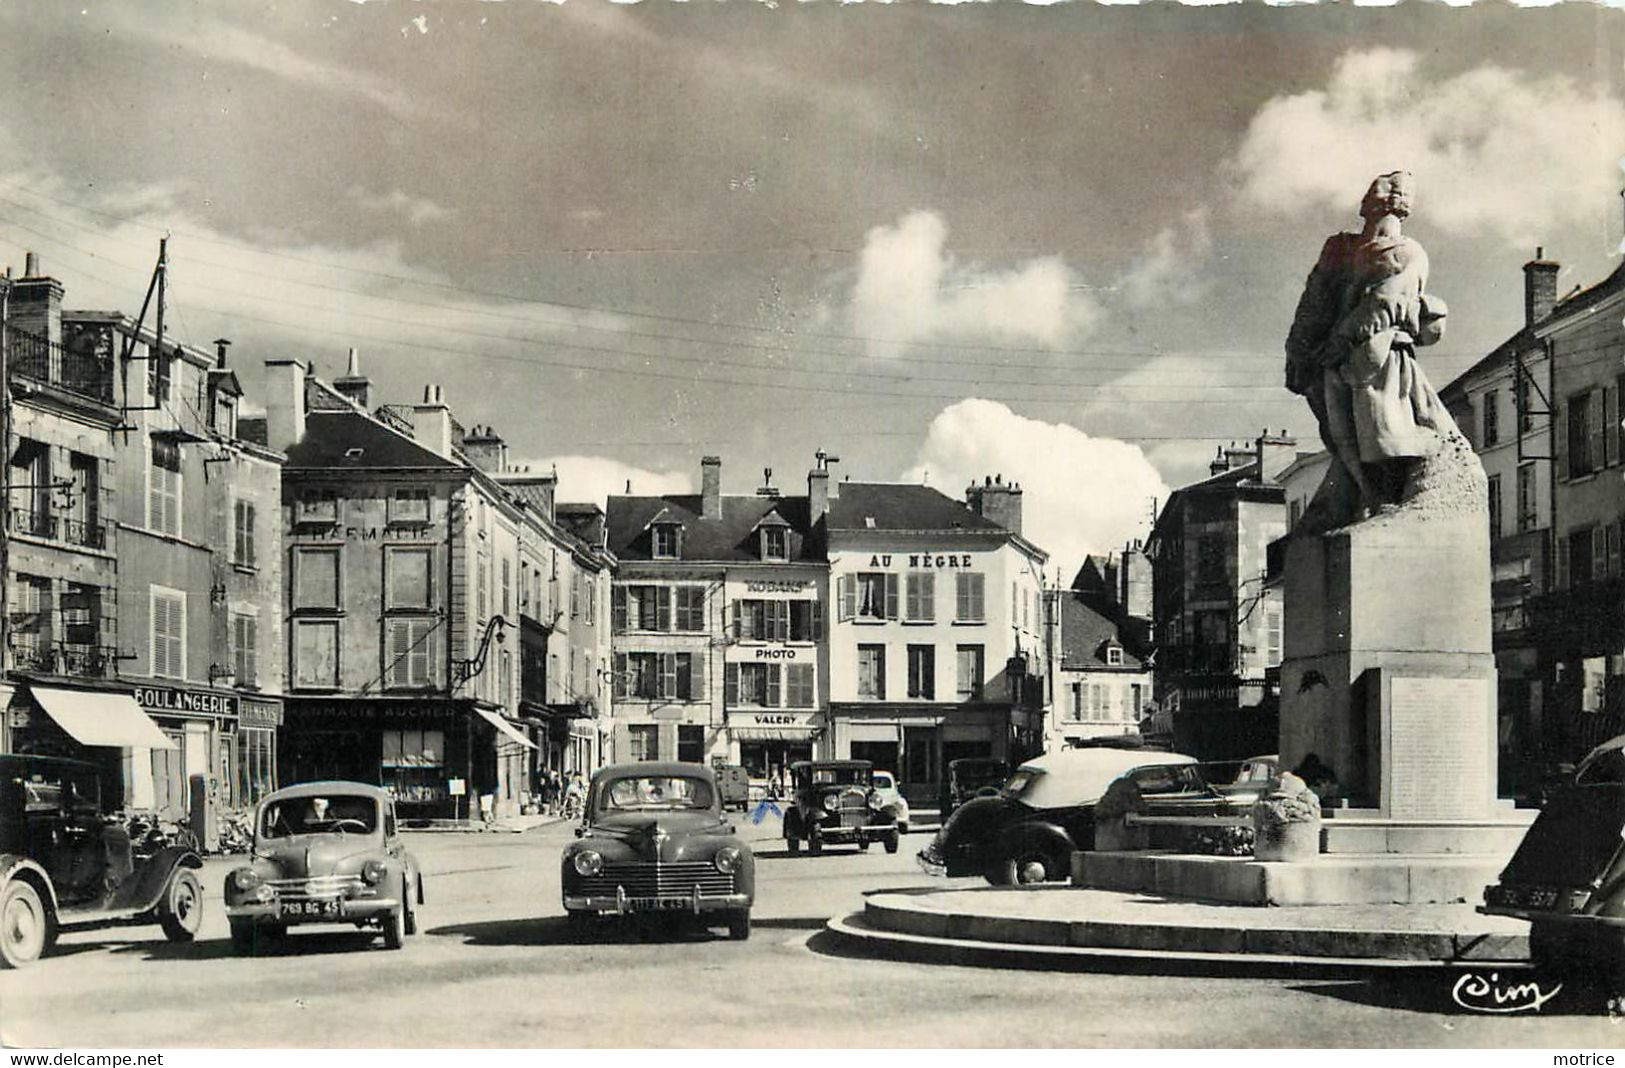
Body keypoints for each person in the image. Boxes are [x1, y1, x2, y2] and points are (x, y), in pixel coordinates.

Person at [1285, 171, 1457, 527]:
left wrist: (1342, 340)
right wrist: (1299, 350)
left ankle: (1386, 498)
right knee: (1340, 433)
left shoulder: (1408, 252)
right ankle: (1367, 496)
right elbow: (1314, 300)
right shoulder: (1341, 248)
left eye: (1382, 193)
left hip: (1377, 354)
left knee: (1378, 428)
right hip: (1335, 358)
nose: (1371, 199)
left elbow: (1388, 300)